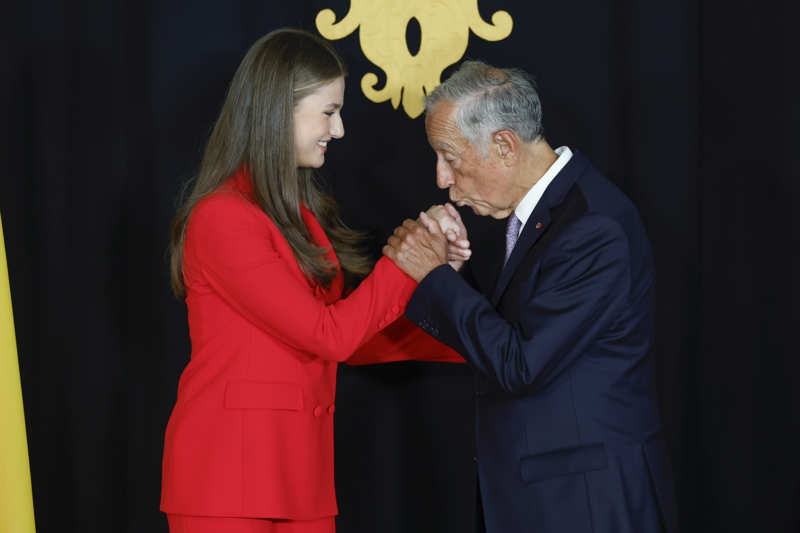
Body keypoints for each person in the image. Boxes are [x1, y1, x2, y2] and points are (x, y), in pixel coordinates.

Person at [160, 29, 462, 533]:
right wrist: (406, 262)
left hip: (301, 479)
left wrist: (441, 291)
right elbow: (332, 336)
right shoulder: (222, 217)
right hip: (225, 481)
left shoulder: (299, 216)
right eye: (328, 112)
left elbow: (348, 335)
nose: (338, 130)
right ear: (278, 109)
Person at [383, 61, 678, 533]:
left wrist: (433, 276)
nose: (441, 178)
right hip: (544, 497)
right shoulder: (548, 212)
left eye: (450, 158)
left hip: (585, 504)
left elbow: (520, 364)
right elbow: (521, 337)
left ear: (504, 145)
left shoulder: (592, 226)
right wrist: (452, 276)